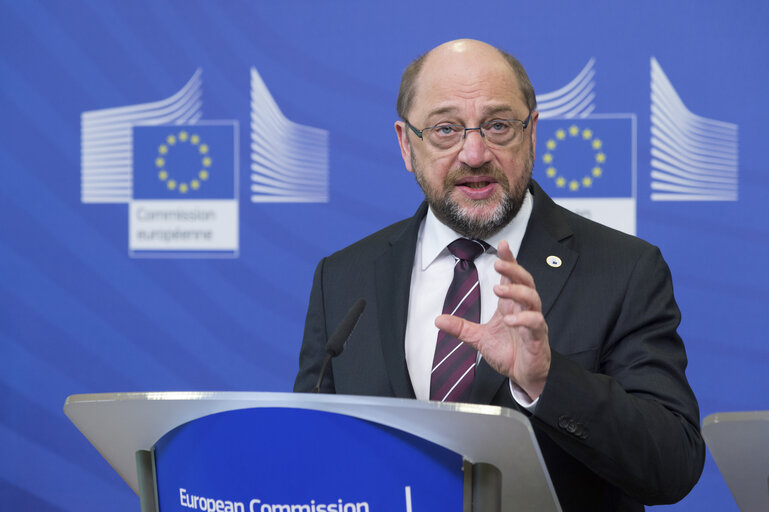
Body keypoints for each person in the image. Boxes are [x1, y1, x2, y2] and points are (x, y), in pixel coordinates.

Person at [294, 39, 704, 511]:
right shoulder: (343, 277)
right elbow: (311, 454)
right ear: (407, 145)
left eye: (498, 126)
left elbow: (673, 467)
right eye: (446, 129)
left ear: (532, 134)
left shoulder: (625, 269)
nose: (474, 153)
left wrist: (548, 379)